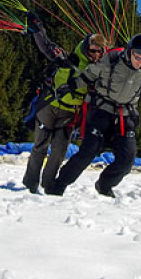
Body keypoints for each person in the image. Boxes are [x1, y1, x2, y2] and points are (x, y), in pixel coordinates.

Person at [46, 32, 141, 198]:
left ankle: (105, 185)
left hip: (125, 116)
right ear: (130, 51)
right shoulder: (111, 60)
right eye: (138, 57)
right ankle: (59, 185)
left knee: (127, 159)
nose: (140, 62)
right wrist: (70, 86)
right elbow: (89, 74)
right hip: (102, 111)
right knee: (87, 152)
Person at [20, 13, 105, 194]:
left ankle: (49, 185)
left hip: (69, 115)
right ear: (84, 49)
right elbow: (47, 46)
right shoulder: (66, 59)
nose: (96, 55)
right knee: (40, 147)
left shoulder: (99, 72)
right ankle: (30, 184)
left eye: (99, 52)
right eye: (92, 51)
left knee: (59, 152)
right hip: (49, 107)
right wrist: (38, 29)